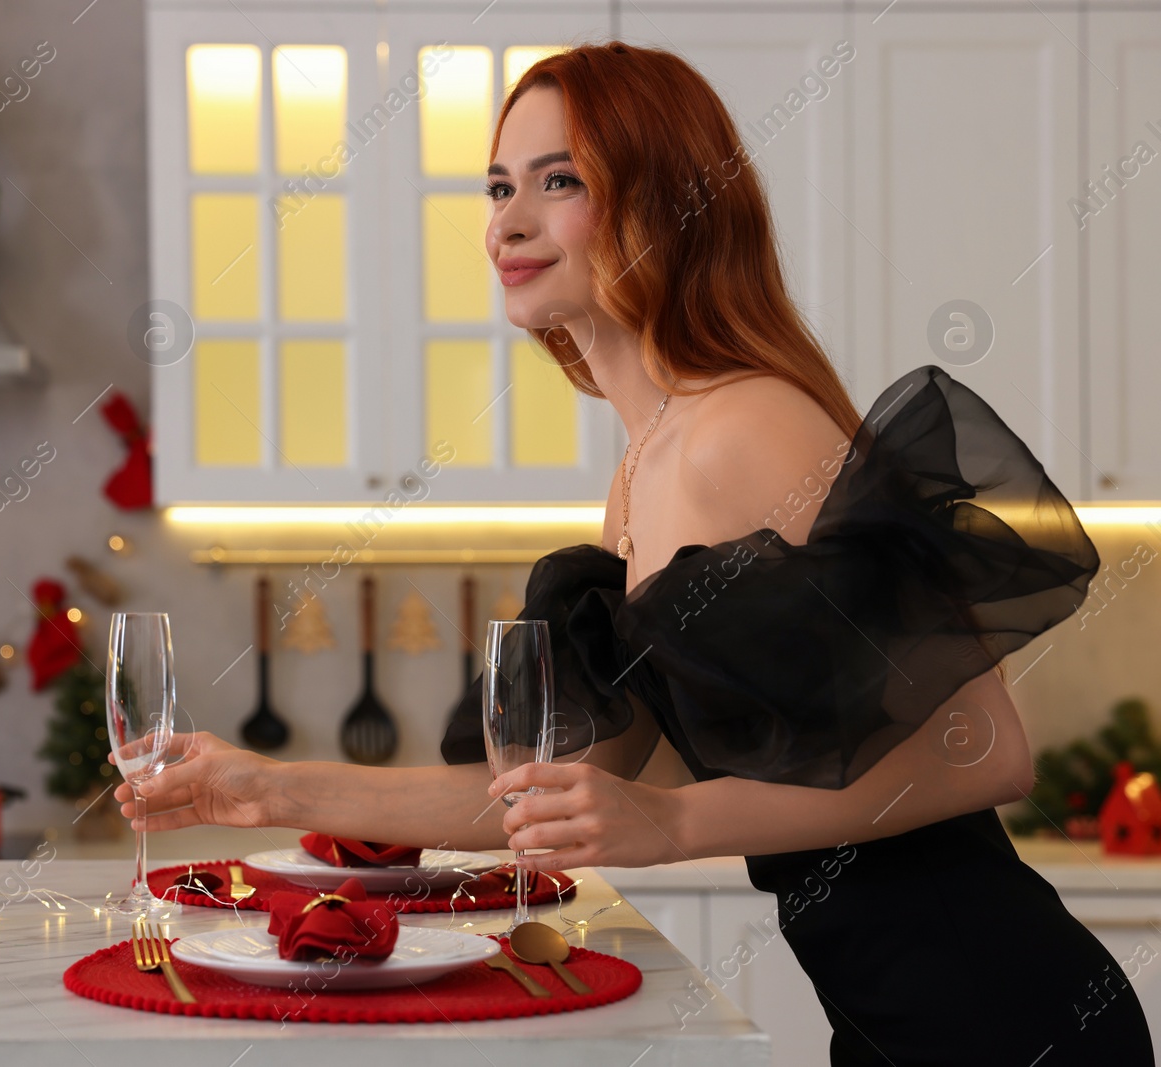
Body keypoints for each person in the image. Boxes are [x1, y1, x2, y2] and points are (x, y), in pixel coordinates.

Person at [118, 43, 1153, 1064]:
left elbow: (987, 749)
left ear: (665, 204)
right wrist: (270, 788)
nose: (505, 223)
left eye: (558, 181)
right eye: (496, 187)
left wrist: (667, 818)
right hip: (889, 1019)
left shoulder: (744, 425)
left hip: (1005, 1017)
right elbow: (542, 788)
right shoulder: (642, 464)